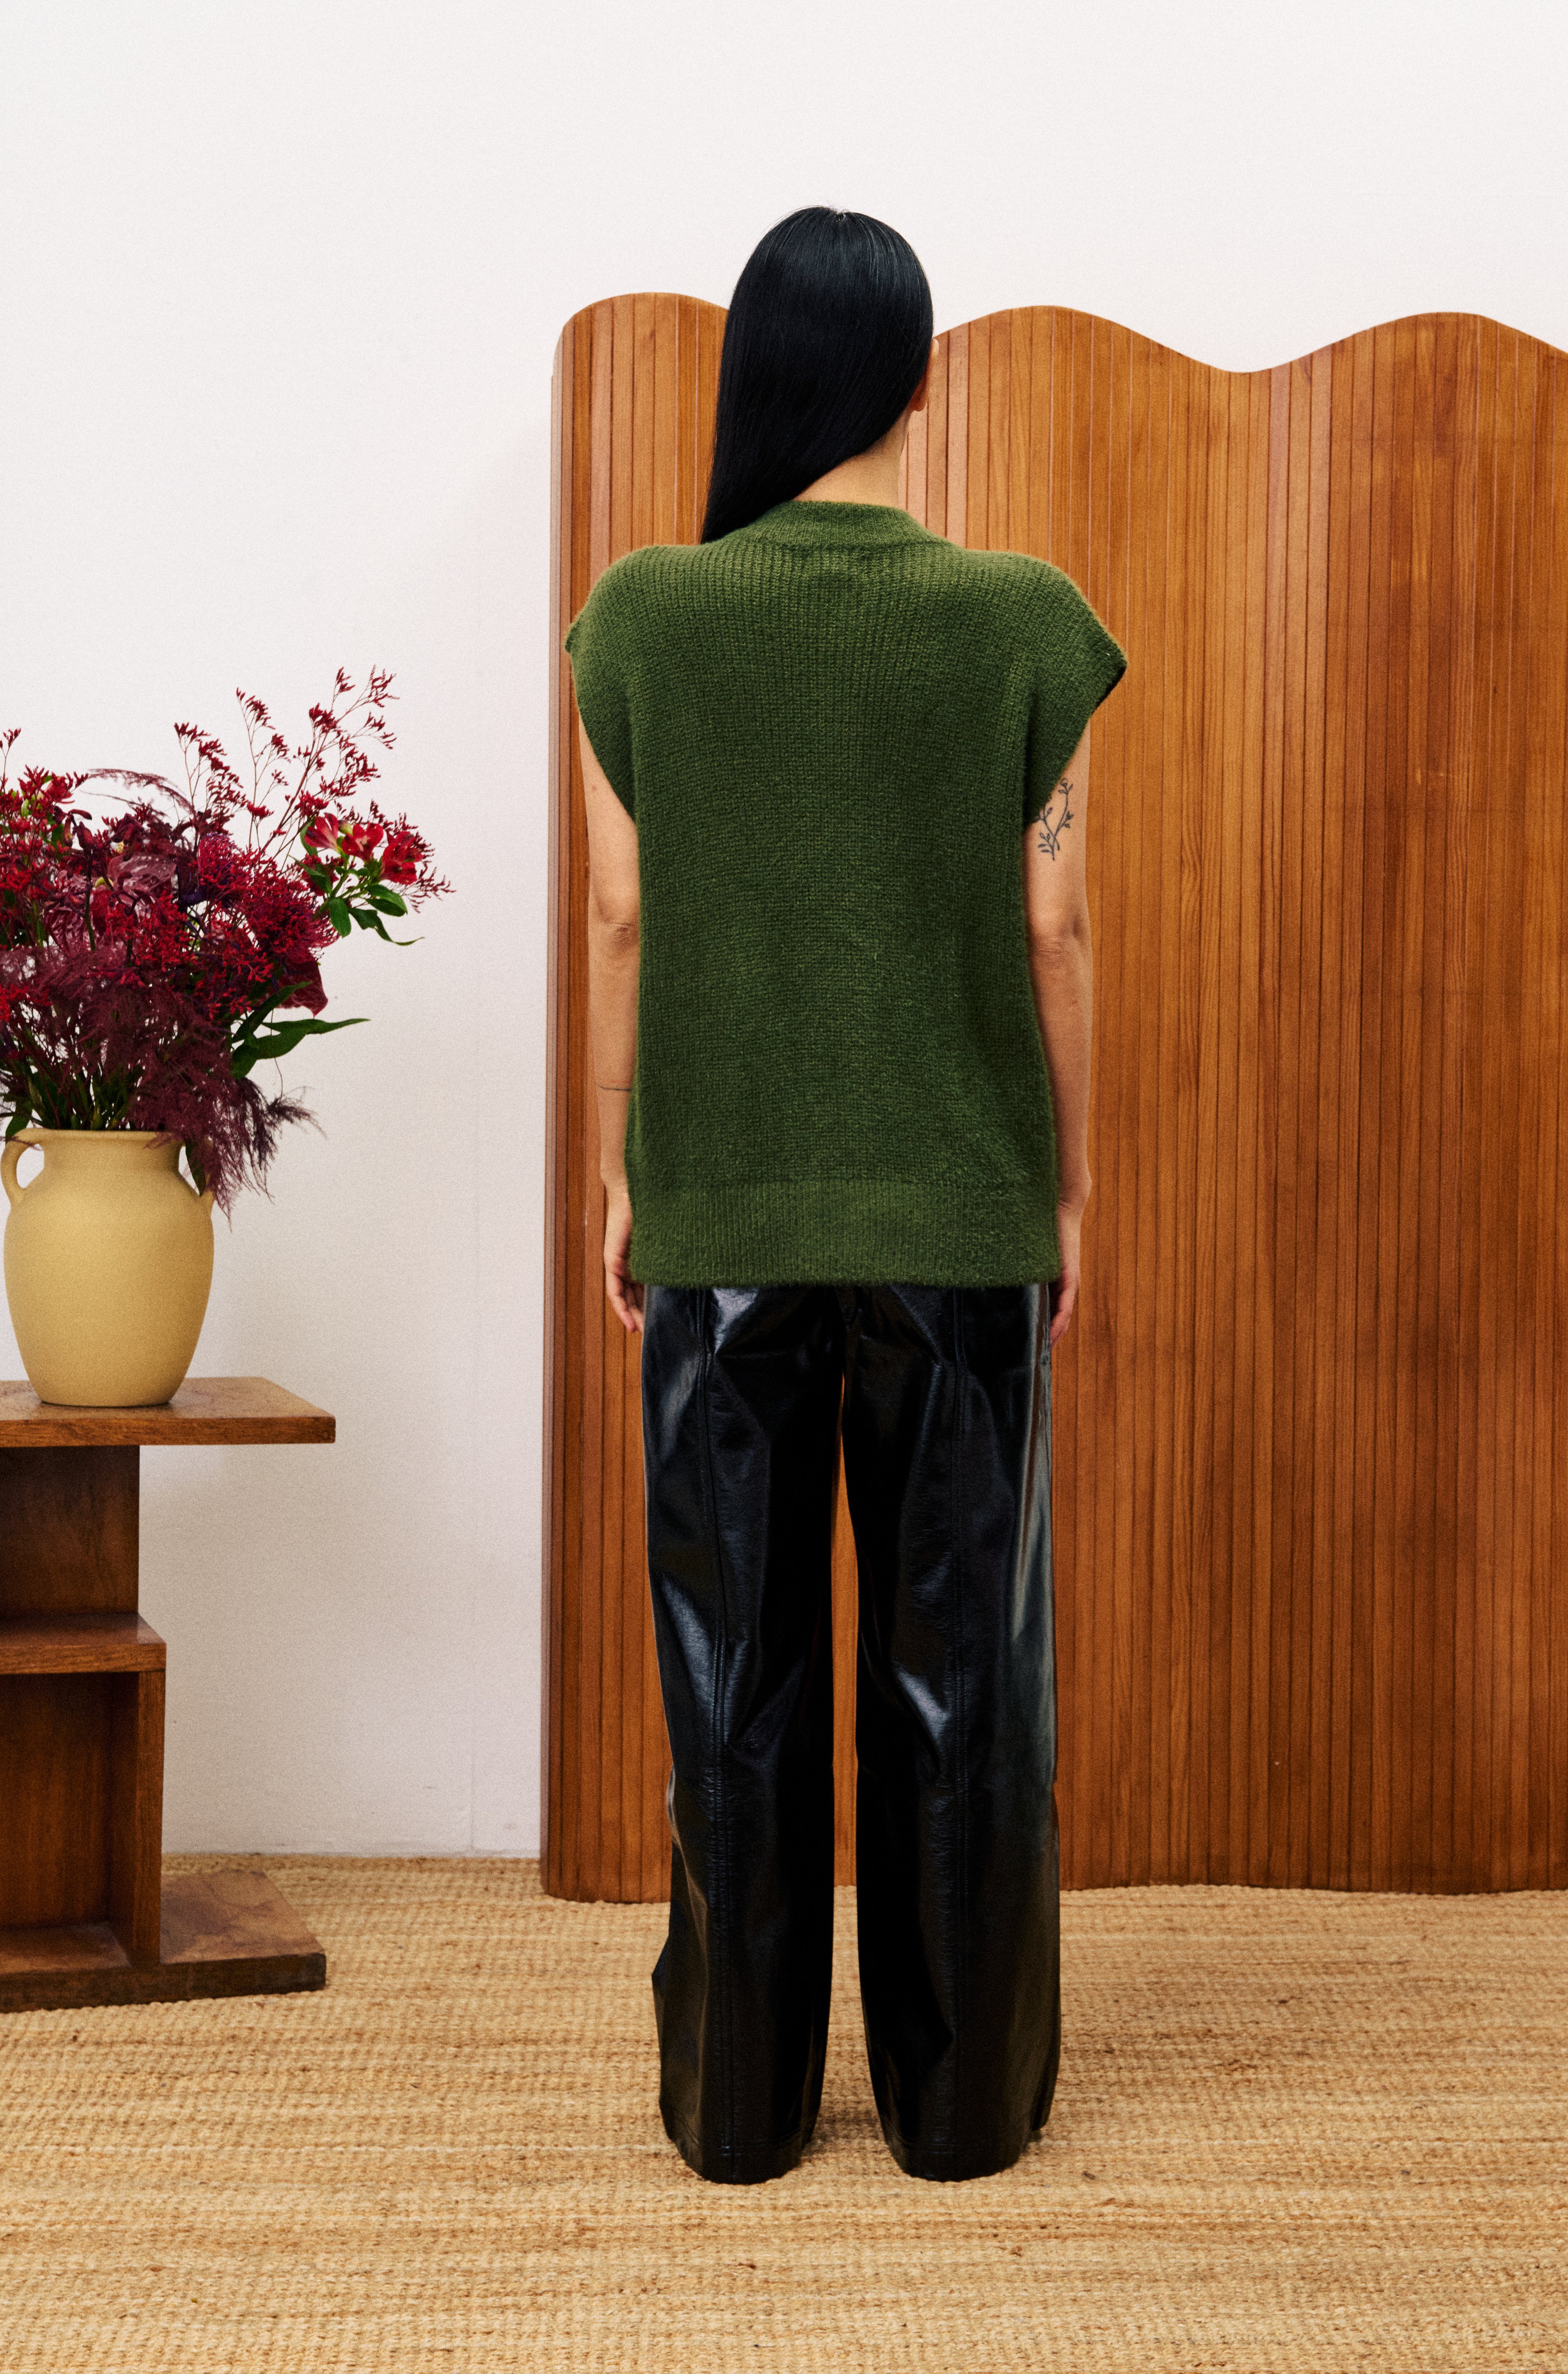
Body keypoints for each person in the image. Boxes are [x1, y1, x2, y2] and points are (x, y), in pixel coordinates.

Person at [562, 205, 1126, 2186]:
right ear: (918, 379)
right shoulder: (1022, 617)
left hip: (722, 1223)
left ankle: (736, 2111)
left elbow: (621, 914)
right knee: (961, 1676)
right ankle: (959, 2116)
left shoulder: (644, 615)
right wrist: (1070, 1188)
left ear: (758, 382)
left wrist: (621, 1163)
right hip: (960, 1224)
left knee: (735, 1677)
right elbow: (1054, 925)